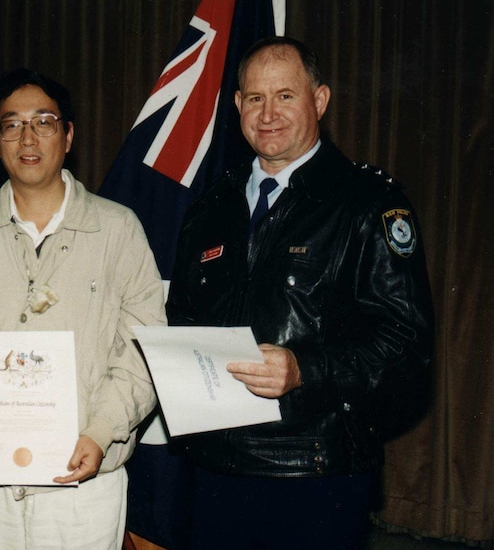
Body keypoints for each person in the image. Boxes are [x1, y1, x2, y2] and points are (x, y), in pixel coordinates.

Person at [166, 37, 434, 549]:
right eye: (254, 98)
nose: (268, 114)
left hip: (314, 471)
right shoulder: (210, 209)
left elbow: (407, 348)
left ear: (320, 100)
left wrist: (305, 370)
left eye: (285, 96)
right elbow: (182, 321)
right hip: (214, 470)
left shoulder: (366, 204)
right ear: (237, 106)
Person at [0, 68, 165, 550]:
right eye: (12, 124)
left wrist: (101, 430)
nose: (28, 137)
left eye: (44, 121)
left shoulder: (118, 231)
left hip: (84, 484)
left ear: (68, 136)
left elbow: (144, 352)